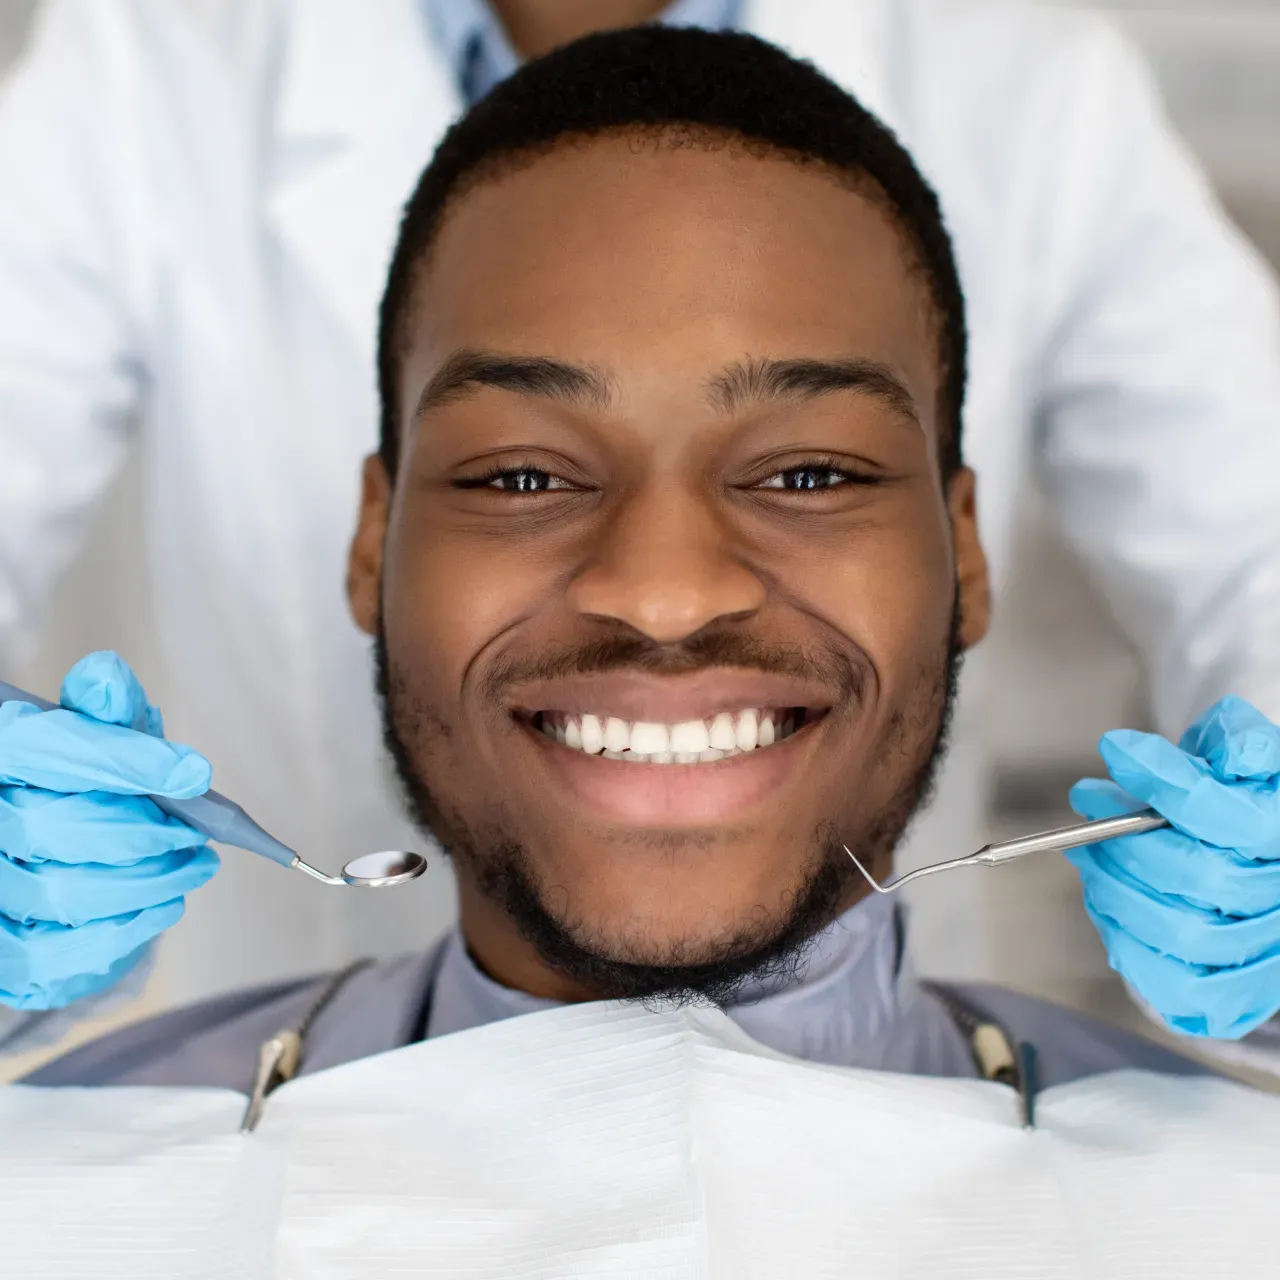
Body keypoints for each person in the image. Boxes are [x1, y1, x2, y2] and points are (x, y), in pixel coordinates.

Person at [1, 1, 1278, 1059]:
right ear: (370, 532)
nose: (663, 592)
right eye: (513, 476)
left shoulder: (1027, 87)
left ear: (966, 541)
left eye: (809, 470)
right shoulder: (147, 67)